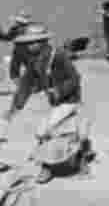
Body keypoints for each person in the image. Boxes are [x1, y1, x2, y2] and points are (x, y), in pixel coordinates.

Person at [0, 24, 93, 179]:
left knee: (45, 130)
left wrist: (58, 91)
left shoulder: (58, 56)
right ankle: (58, 162)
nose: (30, 45)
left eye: (33, 42)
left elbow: (75, 78)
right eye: (28, 43)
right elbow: (26, 84)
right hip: (52, 102)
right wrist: (15, 108)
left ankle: (51, 167)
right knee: (57, 131)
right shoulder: (34, 60)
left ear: (43, 42)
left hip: (69, 100)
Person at [0, 10, 32, 82]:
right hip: (30, 51)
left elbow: (7, 37)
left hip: (19, 51)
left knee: (14, 73)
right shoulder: (31, 28)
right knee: (31, 70)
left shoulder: (16, 28)